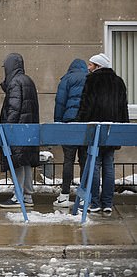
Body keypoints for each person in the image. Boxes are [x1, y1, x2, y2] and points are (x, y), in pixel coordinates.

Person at [77, 53, 128, 214]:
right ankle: (107, 203)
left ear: (98, 66)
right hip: (112, 131)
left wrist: (80, 122)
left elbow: (86, 106)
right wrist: (122, 129)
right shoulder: (119, 82)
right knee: (109, 166)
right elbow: (123, 109)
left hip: (95, 130)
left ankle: (95, 202)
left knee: (95, 165)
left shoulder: (91, 80)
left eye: (91, 65)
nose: (88, 67)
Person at [0, 53, 40, 208]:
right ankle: (28, 196)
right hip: (29, 128)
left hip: (17, 130)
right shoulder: (28, 80)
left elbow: (14, 109)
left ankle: (18, 195)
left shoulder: (15, 83)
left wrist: (8, 129)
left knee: (18, 162)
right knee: (26, 162)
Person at [53, 59, 88, 208]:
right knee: (85, 159)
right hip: (86, 124)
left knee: (68, 160)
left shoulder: (66, 79)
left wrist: (58, 122)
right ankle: (85, 195)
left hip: (69, 123)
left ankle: (64, 195)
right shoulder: (90, 78)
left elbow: (60, 102)